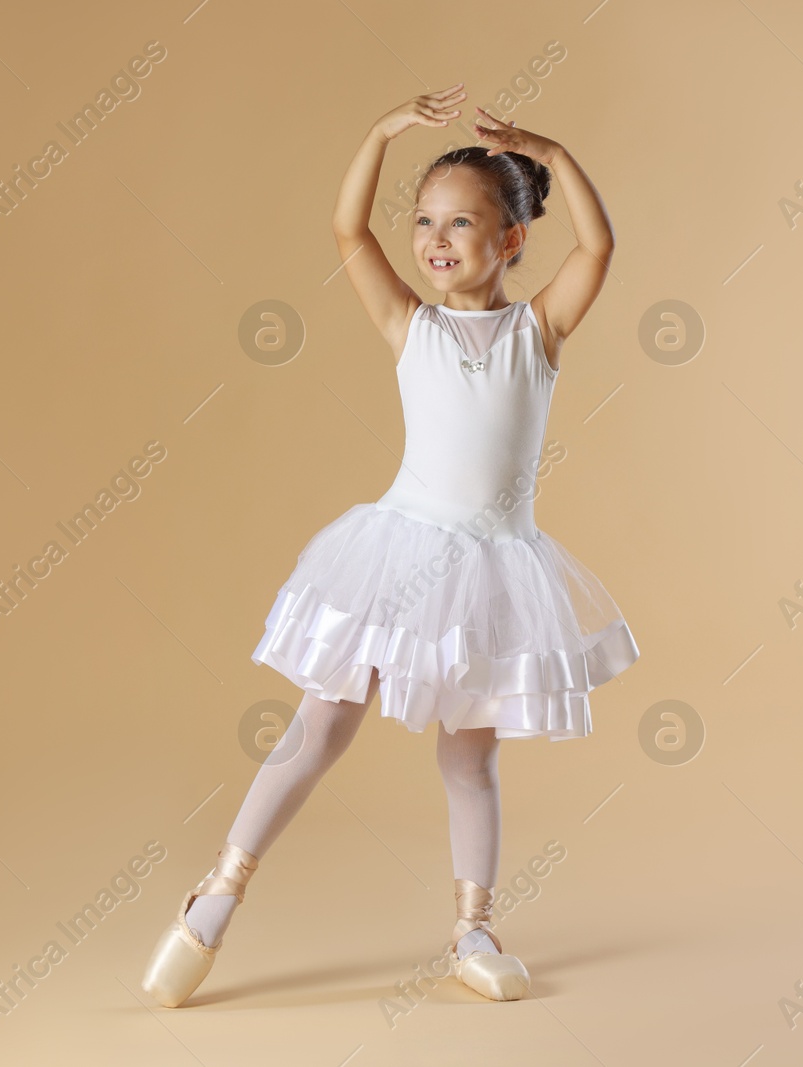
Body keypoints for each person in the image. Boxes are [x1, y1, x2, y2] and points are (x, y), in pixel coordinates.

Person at [142, 83, 640, 1008]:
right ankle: (216, 892)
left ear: (513, 241)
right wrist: (378, 132)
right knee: (322, 721)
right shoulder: (412, 326)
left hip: (495, 567)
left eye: (462, 223)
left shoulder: (540, 331)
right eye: (425, 222)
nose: (437, 239)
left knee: (469, 757)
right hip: (399, 557)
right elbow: (347, 235)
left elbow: (601, 245)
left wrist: (553, 151)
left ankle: (473, 927)